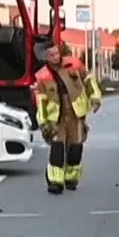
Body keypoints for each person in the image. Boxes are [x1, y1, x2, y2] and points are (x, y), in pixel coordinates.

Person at [33, 45, 103, 194]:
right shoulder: (42, 76)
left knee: (76, 146)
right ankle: (55, 182)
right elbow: (40, 102)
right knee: (57, 148)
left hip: (75, 112)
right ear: (46, 57)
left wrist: (95, 97)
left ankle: (71, 178)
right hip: (56, 116)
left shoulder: (74, 64)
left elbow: (89, 79)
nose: (56, 57)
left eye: (57, 53)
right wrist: (43, 122)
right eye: (52, 55)